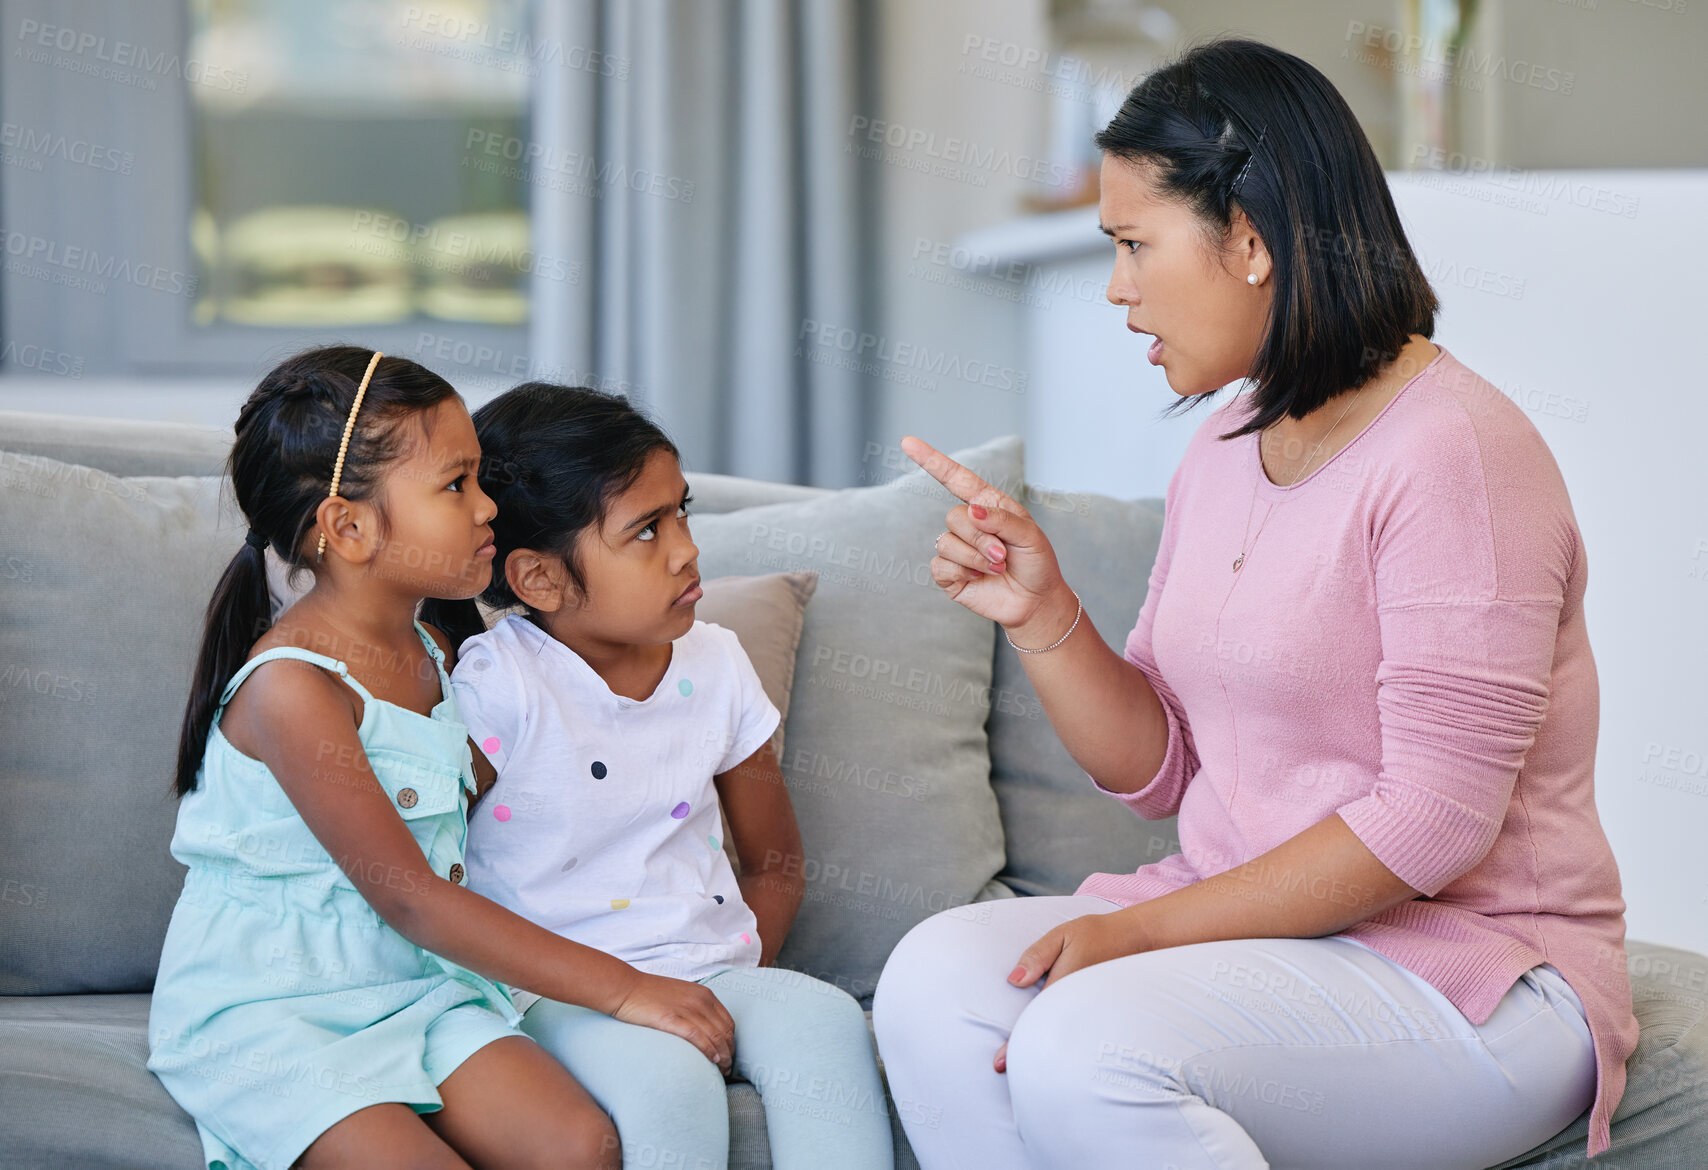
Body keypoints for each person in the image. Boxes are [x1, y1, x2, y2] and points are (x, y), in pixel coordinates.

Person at [872, 37, 1639, 1170]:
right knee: (934, 980)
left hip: (1476, 974)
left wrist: (1135, 935)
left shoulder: (1458, 455)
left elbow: (1431, 823)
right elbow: (1166, 773)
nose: (1117, 287)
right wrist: (1043, 618)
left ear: (1248, 239)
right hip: (1271, 932)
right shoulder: (1227, 443)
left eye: (1134, 244)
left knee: (1085, 1044)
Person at [148, 347, 737, 1170]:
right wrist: (628, 988)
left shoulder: (437, 646)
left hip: (418, 989)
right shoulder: (294, 691)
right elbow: (415, 900)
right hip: (279, 1009)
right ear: (347, 527)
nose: (488, 505)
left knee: (580, 1142)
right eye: (457, 484)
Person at [420, 381, 894, 1170]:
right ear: (538, 579)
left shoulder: (718, 661)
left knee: (826, 1020)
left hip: (709, 968)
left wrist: (732, 980)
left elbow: (776, 864)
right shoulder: (497, 686)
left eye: (683, 512)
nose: (686, 548)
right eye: (645, 530)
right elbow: (425, 878)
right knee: (665, 1082)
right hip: (552, 993)